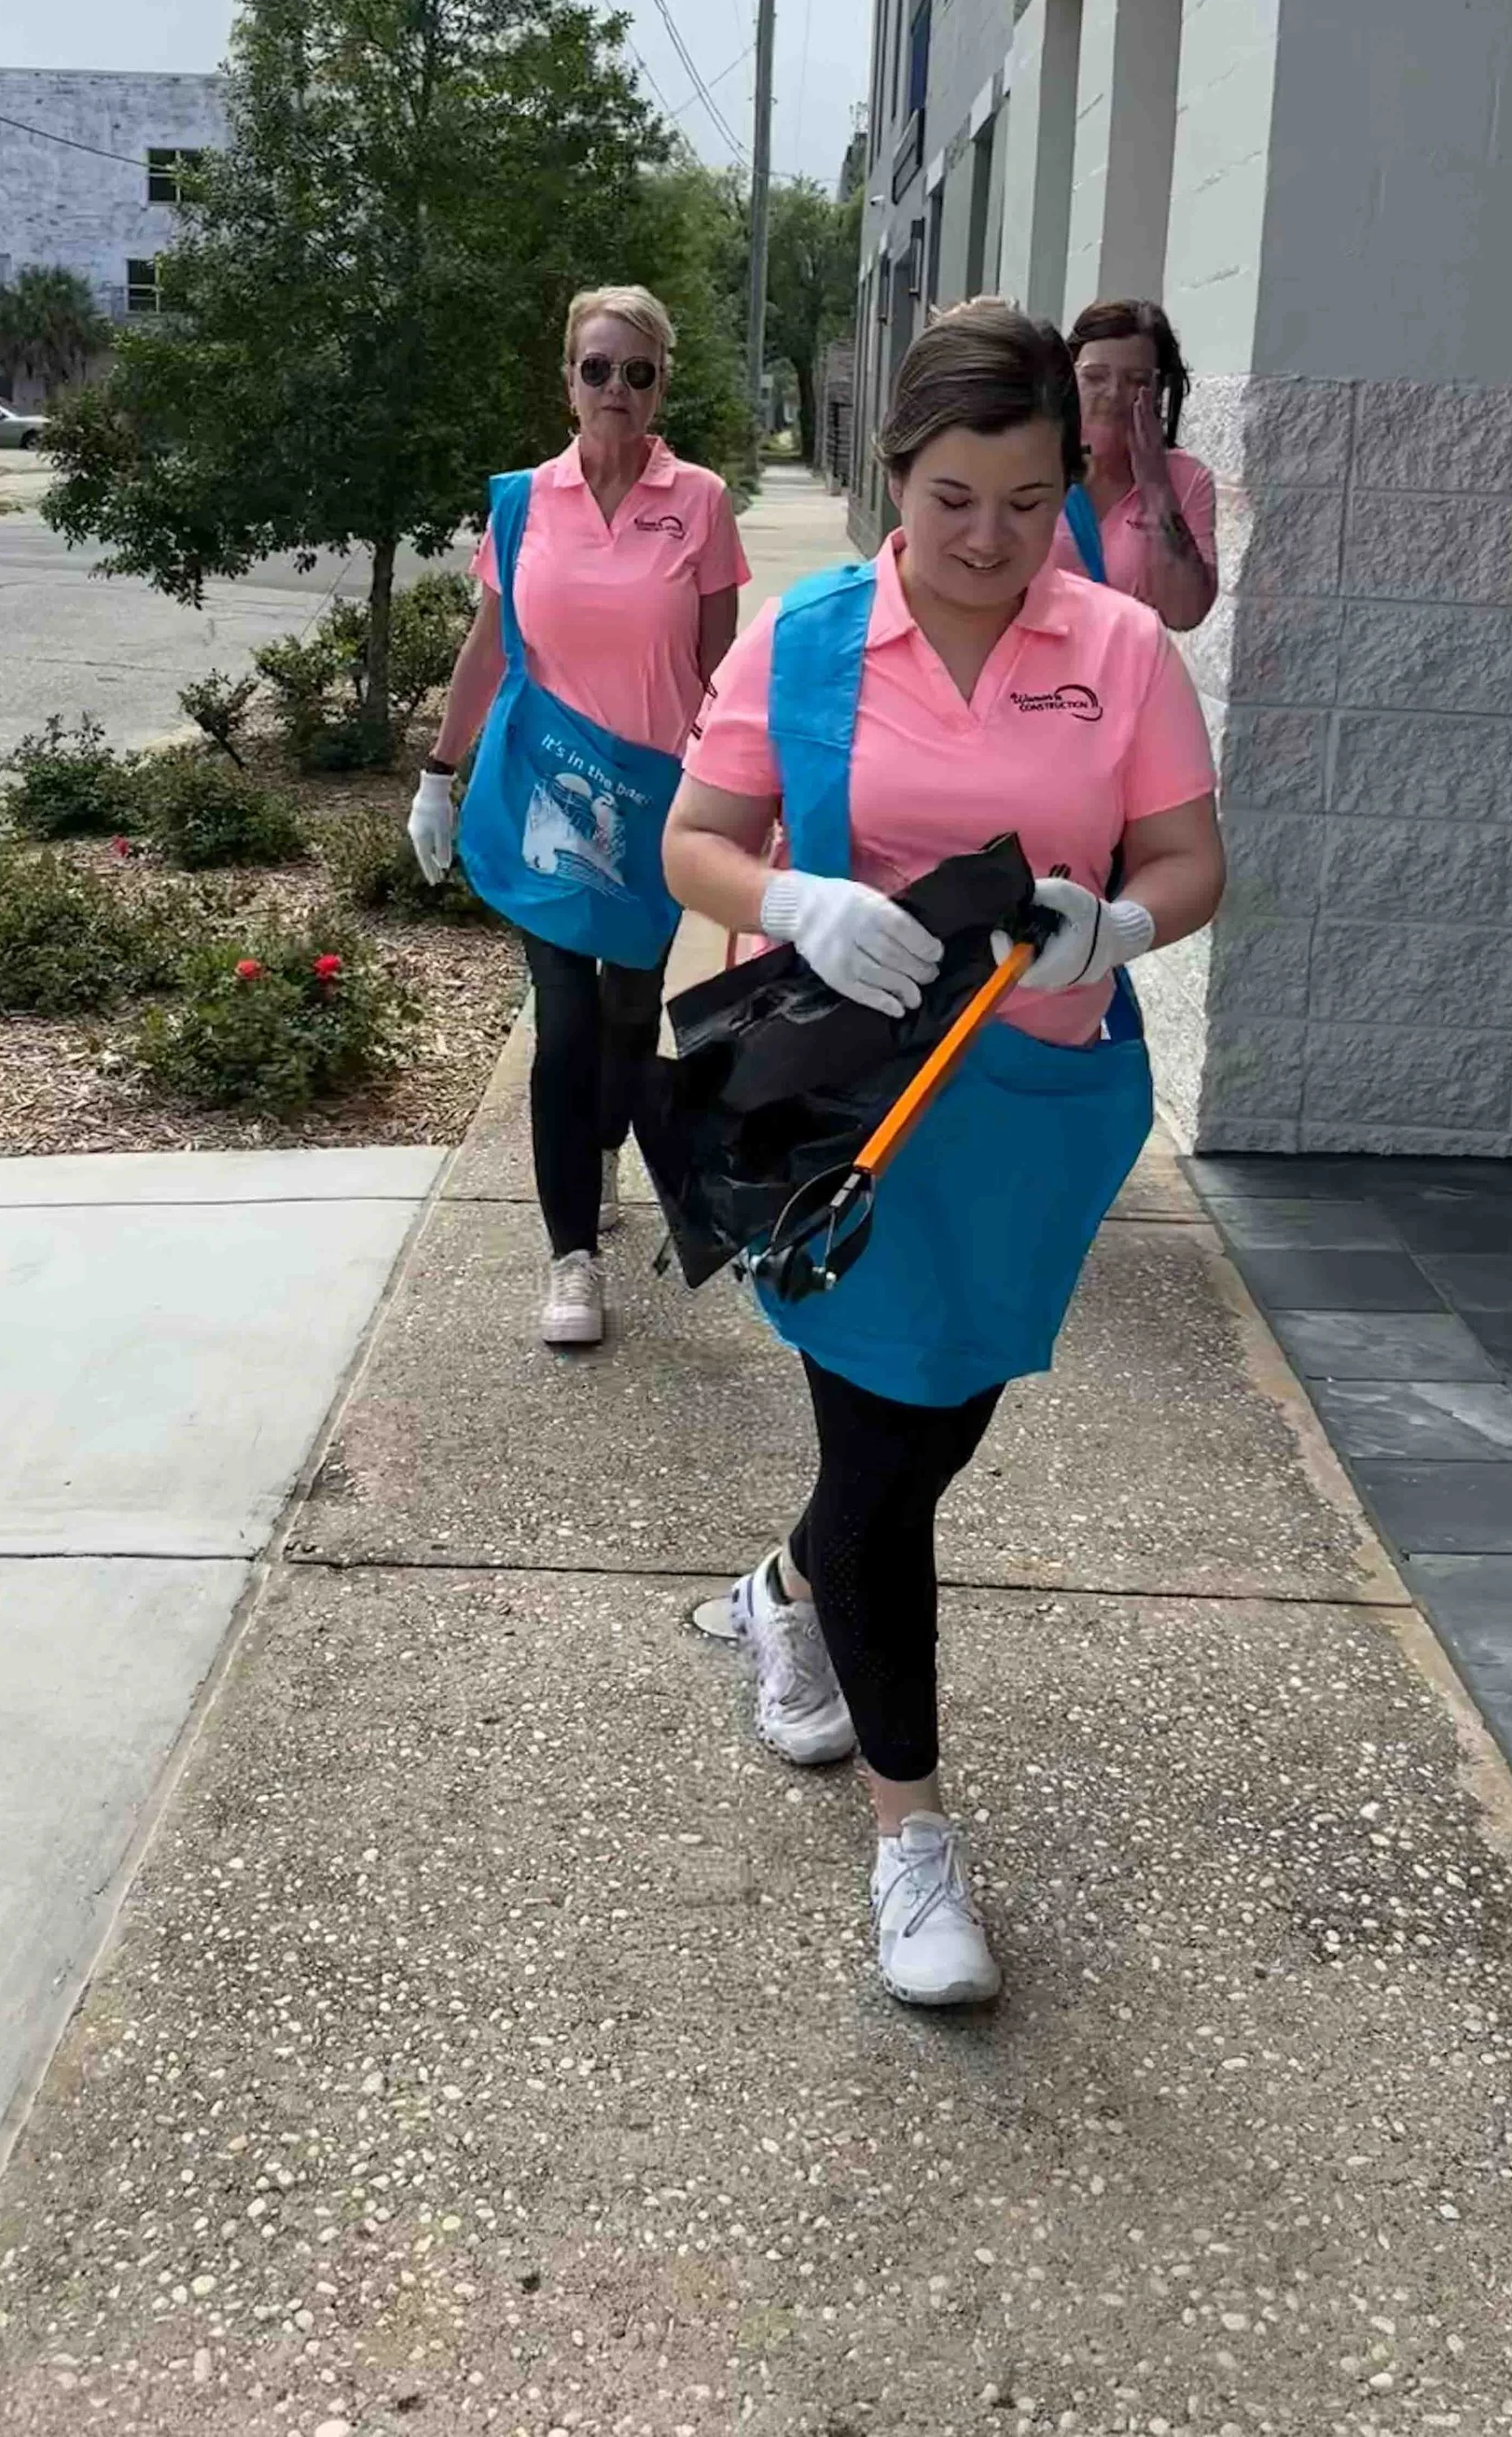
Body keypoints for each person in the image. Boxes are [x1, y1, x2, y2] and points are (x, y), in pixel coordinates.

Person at [663, 300, 1225, 2008]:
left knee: (933, 1429)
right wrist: (797, 897)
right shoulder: (808, 642)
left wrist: (1111, 927)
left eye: (1030, 496)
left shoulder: (1120, 644)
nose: (991, 537)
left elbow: (1197, 860)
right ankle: (912, 1842)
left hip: (1040, 1118)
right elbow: (698, 841)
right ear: (892, 476)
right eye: (955, 495)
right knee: (890, 1459)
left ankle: (781, 1586)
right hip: (858, 1127)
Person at [409, 285, 748, 1350]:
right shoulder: (521, 503)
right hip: (543, 795)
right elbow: (489, 648)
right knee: (562, 1022)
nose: (616, 390)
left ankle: (603, 1153)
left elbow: (718, 679)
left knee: (625, 1012)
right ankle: (571, 1256)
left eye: (637, 373)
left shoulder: (698, 503)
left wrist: (742, 807)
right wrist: (437, 769)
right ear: (567, 377)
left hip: (651, 809)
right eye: (597, 369)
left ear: (660, 385)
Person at [1047, 296, 1217, 628]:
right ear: (1069, 379)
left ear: (1160, 390)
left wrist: (1156, 488)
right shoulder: (1035, 462)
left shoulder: (1186, 478)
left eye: (1137, 381)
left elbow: (1185, 614)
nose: (1113, 393)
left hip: (1127, 674)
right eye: (1095, 376)